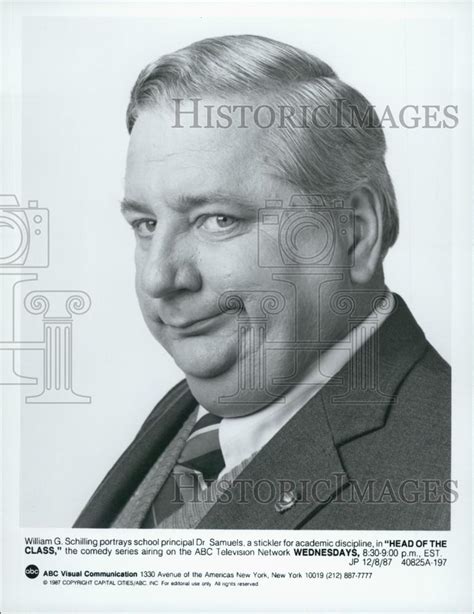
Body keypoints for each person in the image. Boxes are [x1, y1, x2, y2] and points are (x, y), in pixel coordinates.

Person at [74, 34, 451, 530]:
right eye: (146, 224)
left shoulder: (443, 481)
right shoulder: (197, 407)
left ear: (354, 232)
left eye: (217, 219)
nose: (158, 278)